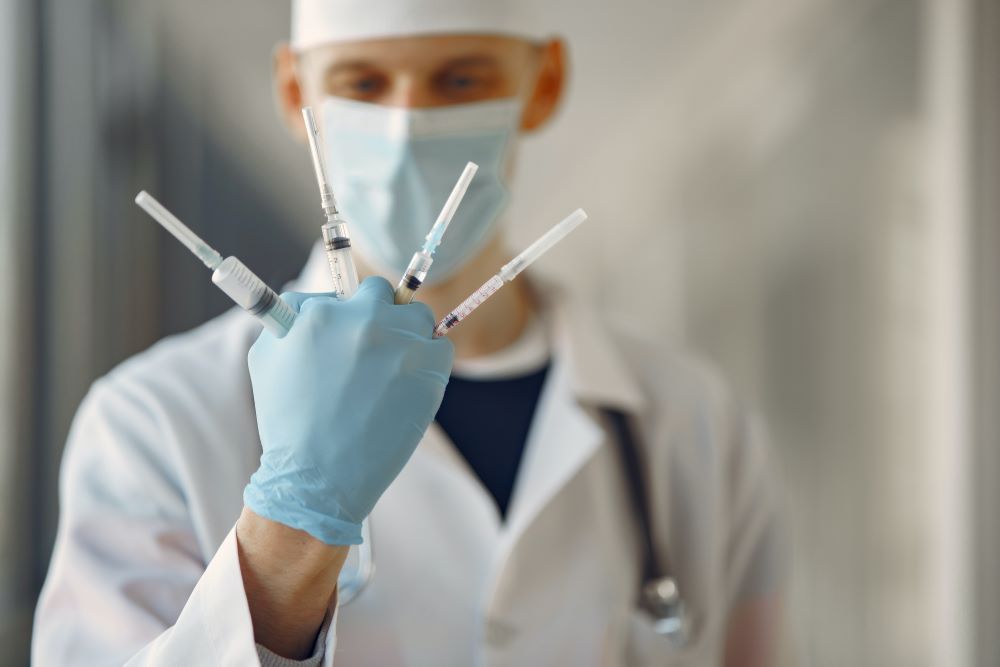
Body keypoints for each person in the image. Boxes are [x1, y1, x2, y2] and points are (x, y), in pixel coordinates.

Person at [33, 1, 789, 665]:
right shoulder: (154, 421)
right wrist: (291, 523)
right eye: (362, 83)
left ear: (545, 81)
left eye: (461, 80)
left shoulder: (694, 422)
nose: (406, 125)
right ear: (296, 91)